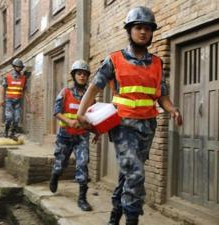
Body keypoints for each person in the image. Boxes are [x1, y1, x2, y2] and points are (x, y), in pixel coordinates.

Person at [76, 6, 183, 225]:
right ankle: (131, 220)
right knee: (136, 174)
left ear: (152, 33)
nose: (143, 32)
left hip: (147, 127)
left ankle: (114, 217)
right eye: (138, 27)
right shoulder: (114, 59)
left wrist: (172, 109)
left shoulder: (157, 63)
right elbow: (94, 88)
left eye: (147, 28)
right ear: (130, 30)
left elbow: (161, 94)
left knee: (128, 174)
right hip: (122, 125)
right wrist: (80, 114)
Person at [49, 60, 93, 211]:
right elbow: (56, 112)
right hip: (65, 136)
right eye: (79, 73)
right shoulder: (65, 92)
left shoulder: (90, 96)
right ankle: (55, 175)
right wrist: (69, 121)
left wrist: (97, 131)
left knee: (82, 163)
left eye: (85, 74)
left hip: (82, 136)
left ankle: (82, 198)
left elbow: (93, 116)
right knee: (61, 164)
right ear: (74, 75)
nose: (82, 76)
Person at [2, 58, 27, 137]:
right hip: (9, 100)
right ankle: (6, 131)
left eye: (20, 67)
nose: (18, 68)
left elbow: (24, 90)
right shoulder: (8, 77)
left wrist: (28, 99)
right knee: (9, 117)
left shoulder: (23, 78)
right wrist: (2, 100)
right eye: (17, 67)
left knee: (17, 118)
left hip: (18, 101)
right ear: (14, 67)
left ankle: (12, 133)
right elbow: (4, 89)